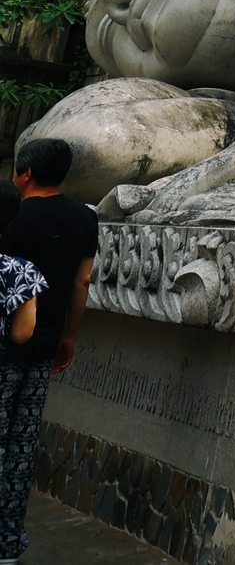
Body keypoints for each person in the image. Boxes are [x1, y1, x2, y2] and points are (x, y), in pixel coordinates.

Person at [0, 142, 85, 565]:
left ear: (27, 173)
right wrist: (68, 335)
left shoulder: (18, 218)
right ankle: (7, 542)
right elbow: (82, 281)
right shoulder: (84, 218)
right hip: (40, 348)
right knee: (20, 446)